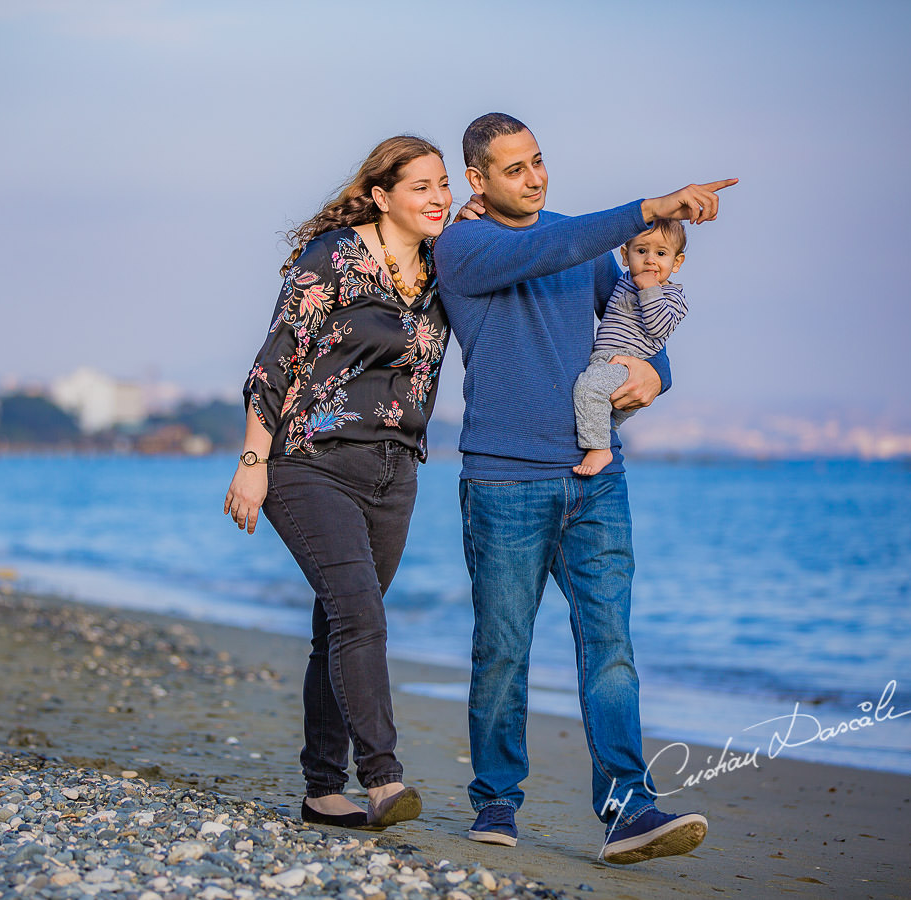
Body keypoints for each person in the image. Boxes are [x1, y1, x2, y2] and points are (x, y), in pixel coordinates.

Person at [433, 112, 735, 863]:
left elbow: (639, 330)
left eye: (538, 162)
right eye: (514, 170)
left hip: (597, 481)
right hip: (504, 482)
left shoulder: (584, 241)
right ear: (477, 180)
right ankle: (497, 800)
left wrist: (654, 378)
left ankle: (628, 807)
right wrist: (649, 207)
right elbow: (545, 248)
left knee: (612, 648)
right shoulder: (463, 245)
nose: (534, 179)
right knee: (501, 650)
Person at [224, 135, 452, 829]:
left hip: (396, 472)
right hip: (310, 461)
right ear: (382, 196)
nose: (438, 197)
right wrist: (253, 463)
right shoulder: (335, 258)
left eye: (444, 184)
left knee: (339, 624)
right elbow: (276, 360)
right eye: (421, 186)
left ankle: (323, 790)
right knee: (360, 612)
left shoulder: (447, 269)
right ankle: (382, 779)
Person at [572, 219, 689, 477]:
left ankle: (600, 449)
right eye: (641, 251)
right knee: (598, 411)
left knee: (588, 388)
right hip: (603, 360)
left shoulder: (672, 297)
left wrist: (650, 290)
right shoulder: (624, 280)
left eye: (661, 253)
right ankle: (603, 435)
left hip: (628, 365)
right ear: (625, 256)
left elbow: (659, 330)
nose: (650, 260)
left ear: (676, 263)